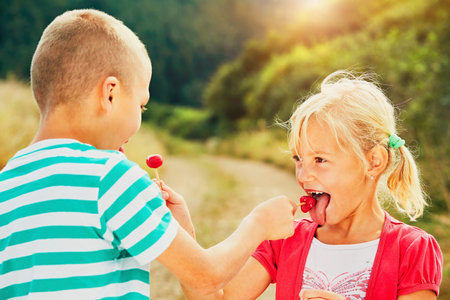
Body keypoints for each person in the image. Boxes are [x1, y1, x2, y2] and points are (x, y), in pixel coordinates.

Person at [0, 9, 297, 299]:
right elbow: (205, 277)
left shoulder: (7, 182)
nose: (140, 119)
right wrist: (259, 222)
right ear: (111, 94)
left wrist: (182, 233)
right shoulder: (110, 176)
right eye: (142, 105)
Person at [183, 71, 443, 300]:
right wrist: (182, 235)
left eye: (320, 159)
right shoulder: (284, 241)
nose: (304, 175)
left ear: (374, 161)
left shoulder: (412, 250)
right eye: (299, 159)